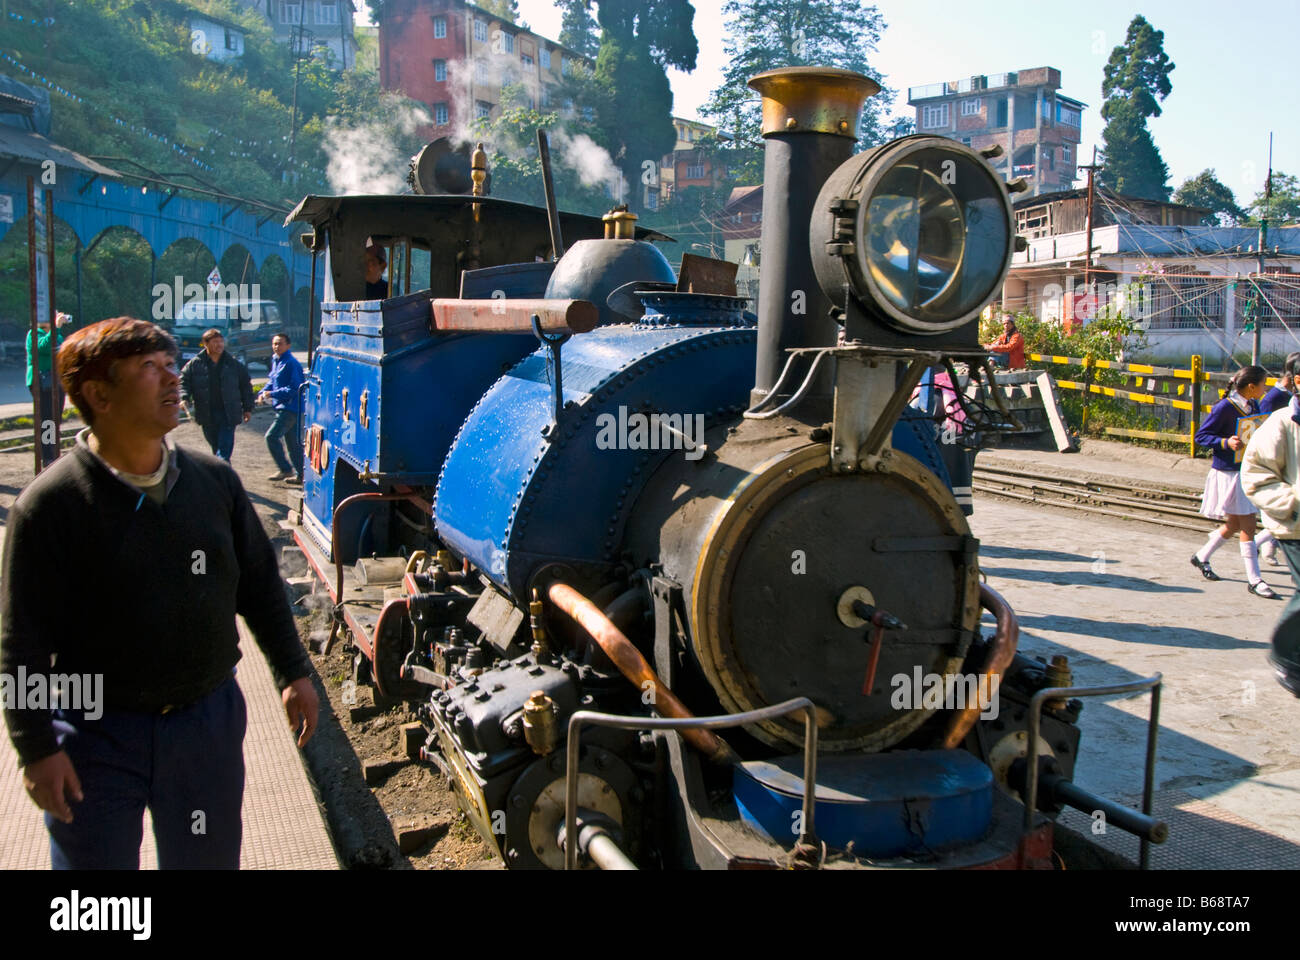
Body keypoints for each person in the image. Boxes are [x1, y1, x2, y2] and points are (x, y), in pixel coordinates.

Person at [0, 316, 319, 868]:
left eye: (172, 364)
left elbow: (261, 586)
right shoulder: (50, 507)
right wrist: (36, 748)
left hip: (205, 724)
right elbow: (20, 642)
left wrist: (294, 672)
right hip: (93, 735)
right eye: (149, 368)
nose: (173, 378)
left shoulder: (215, 483)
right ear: (98, 393)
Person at [1190, 364, 1278, 598]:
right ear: (1251, 386)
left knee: (1235, 524)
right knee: (1248, 525)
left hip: (1245, 470)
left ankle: (1201, 556)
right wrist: (1225, 443)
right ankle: (1254, 579)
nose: (1265, 388)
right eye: (1262, 384)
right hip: (1229, 473)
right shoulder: (1224, 407)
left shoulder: (1254, 405)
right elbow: (1201, 436)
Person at [1242, 350, 1300, 696]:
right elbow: (1255, 476)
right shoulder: (1280, 424)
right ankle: (1285, 656)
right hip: (1294, 525)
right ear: (1295, 381)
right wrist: (1292, 502)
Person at [179, 328, 253, 461]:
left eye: (221, 341)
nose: (219, 345)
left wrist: (248, 408)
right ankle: (221, 477)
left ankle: (224, 478)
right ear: (205, 344)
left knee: (223, 453)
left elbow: (245, 386)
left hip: (228, 413)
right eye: (215, 342)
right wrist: (184, 397)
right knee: (216, 449)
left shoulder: (233, 364)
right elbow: (184, 382)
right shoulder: (195, 364)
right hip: (206, 413)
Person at [257, 332, 305, 485]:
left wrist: (272, 393)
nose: (276, 346)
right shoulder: (276, 360)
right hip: (283, 406)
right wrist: (262, 393)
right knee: (293, 444)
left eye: (280, 343)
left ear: (288, 345)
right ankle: (301, 475)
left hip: (290, 408)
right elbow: (272, 381)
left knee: (271, 437)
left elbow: (295, 388)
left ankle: (285, 468)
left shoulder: (291, 363)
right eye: (274, 344)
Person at [27, 311, 72, 466]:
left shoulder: (56, 334)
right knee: (47, 419)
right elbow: (44, 347)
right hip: (42, 383)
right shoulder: (34, 334)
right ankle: (47, 456)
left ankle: (52, 451)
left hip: (56, 382)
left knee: (55, 418)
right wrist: (56, 328)